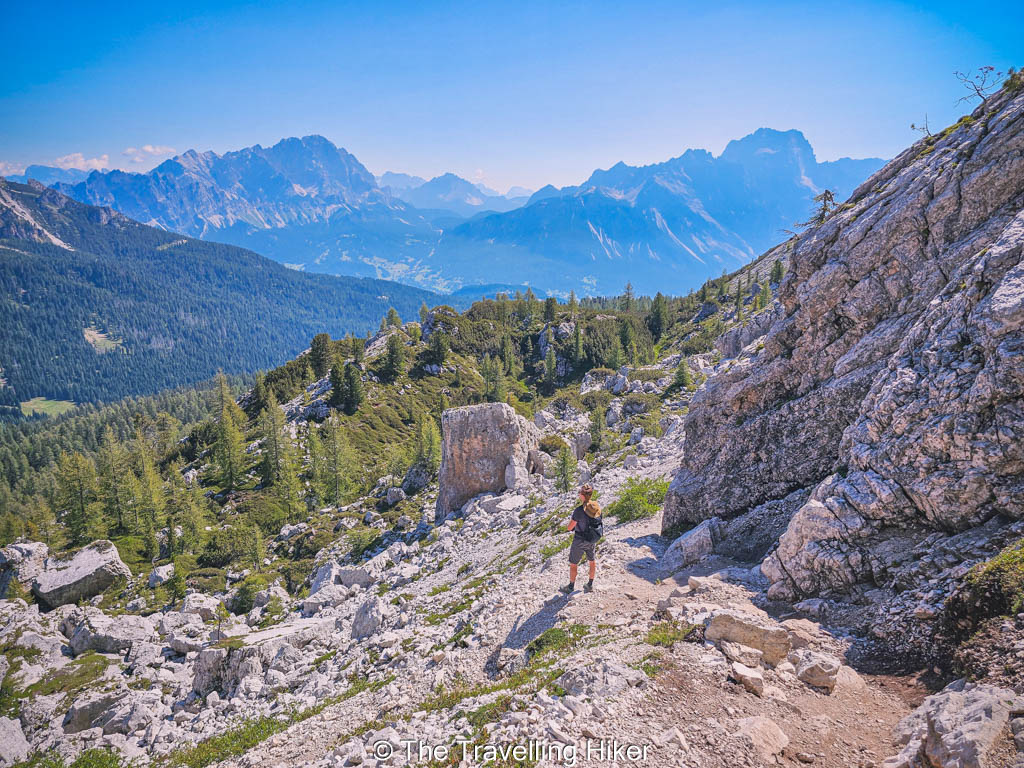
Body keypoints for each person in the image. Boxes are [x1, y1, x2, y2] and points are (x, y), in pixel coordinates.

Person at [563, 483, 602, 593]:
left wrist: (569, 528)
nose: (579, 495)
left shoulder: (579, 510)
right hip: (592, 539)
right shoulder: (596, 507)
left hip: (580, 540)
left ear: (583, 496)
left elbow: (570, 527)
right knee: (592, 561)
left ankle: (570, 586)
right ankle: (590, 584)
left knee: (573, 563)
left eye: (580, 493)